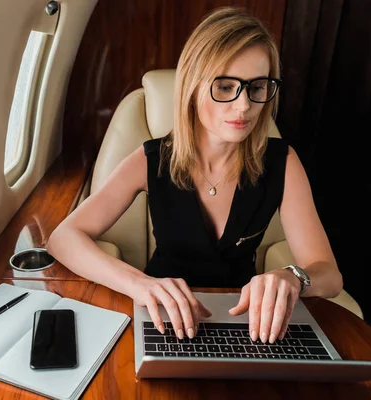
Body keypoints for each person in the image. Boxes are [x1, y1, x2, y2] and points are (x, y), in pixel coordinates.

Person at [46, 7, 343, 346]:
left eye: (257, 86)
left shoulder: (283, 162)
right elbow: (63, 237)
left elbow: (329, 275)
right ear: (193, 86)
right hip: (161, 318)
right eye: (225, 85)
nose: (244, 105)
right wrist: (139, 284)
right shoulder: (151, 159)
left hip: (246, 325)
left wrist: (293, 277)